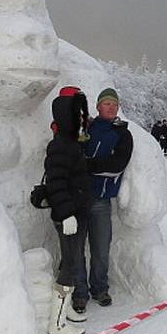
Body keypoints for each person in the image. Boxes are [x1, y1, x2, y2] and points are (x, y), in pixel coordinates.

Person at [73, 88, 133, 312]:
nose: (111, 107)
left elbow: (116, 165)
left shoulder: (122, 134)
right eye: (106, 103)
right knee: (76, 248)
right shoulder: (85, 127)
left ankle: (99, 288)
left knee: (100, 249)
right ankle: (79, 292)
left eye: (114, 104)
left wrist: (87, 165)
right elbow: (71, 154)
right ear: (98, 106)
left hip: (100, 200)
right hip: (78, 198)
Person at [40, 86, 91, 334]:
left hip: (76, 212)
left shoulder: (71, 142)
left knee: (71, 258)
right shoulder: (60, 145)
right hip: (68, 215)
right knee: (70, 264)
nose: (83, 118)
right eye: (78, 113)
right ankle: (57, 323)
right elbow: (56, 182)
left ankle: (66, 308)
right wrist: (67, 213)